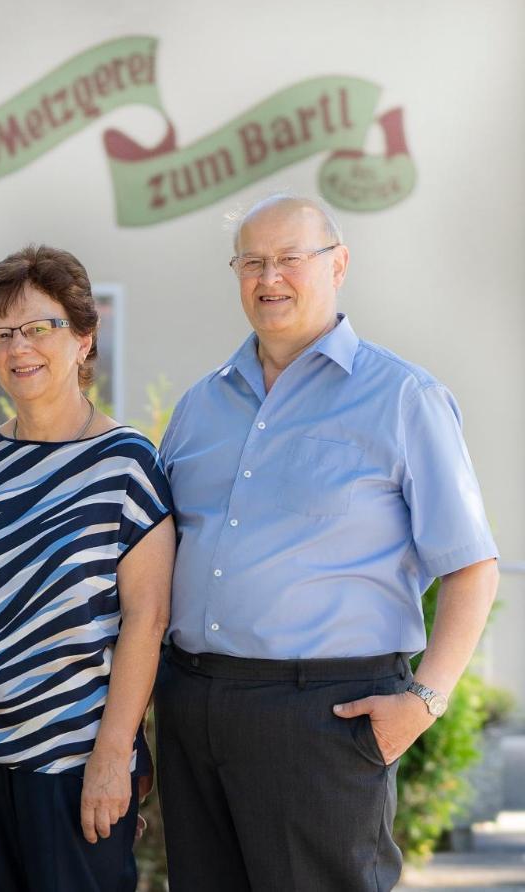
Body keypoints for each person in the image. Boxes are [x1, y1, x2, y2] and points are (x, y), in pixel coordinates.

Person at [155, 193, 499, 892]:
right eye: (251, 261)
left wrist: (425, 702)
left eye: (289, 259)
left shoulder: (403, 397)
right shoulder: (199, 407)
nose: (269, 277)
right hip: (194, 704)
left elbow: (472, 567)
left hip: (323, 715)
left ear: (338, 265)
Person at [0, 245, 176, 892]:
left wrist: (114, 755)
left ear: (83, 337)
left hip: (70, 764)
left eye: (40, 327)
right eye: (1, 333)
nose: (19, 346)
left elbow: (147, 617)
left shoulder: (126, 465)